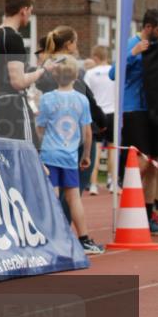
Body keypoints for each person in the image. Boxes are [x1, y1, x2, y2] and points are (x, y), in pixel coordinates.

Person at [36, 56, 104, 255]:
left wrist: (39, 146)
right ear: (76, 76)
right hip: (69, 155)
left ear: (55, 76)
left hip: (49, 154)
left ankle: (51, 238)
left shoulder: (47, 98)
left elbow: (39, 127)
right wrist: (86, 155)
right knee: (74, 197)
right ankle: (83, 239)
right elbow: (88, 132)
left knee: (52, 196)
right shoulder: (81, 99)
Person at [36, 27, 107, 196]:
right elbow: (87, 97)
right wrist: (103, 122)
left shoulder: (46, 68)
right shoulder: (71, 67)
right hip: (76, 135)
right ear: (69, 45)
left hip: (52, 138)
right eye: (75, 42)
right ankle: (63, 221)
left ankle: (55, 220)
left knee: (52, 190)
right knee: (73, 192)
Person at [109, 8, 158, 233]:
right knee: (142, 162)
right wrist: (134, 53)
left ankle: (148, 216)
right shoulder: (131, 42)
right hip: (132, 110)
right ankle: (127, 195)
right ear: (148, 27)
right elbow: (113, 73)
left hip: (150, 110)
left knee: (154, 166)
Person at [0, 0, 52, 142]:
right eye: (30, 11)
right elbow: (18, 81)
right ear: (24, 10)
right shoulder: (13, 38)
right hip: (13, 108)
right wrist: (42, 70)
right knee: (26, 156)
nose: (30, 15)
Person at [84, 45, 115, 193]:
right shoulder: (114, 71)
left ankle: (94, 185)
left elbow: (86, 95)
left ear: (95, 58)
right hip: (112, 113)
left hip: (96, 114)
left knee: (95, 150)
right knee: (113, 149)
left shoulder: (89, 73)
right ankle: (113, 182)